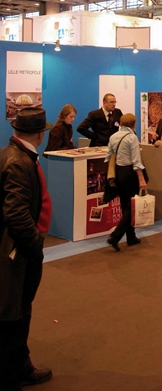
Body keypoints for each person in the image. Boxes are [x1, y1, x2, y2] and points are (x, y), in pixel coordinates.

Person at [0, 108, 53, 390]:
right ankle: (11, 375)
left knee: (18, 312)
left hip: (17, 249)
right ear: (39, 134)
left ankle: (21, 365)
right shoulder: (20, 161)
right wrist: (35, 245)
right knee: (14, 313)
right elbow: (16, 213)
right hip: (17, 251)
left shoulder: (14, 155)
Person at [105, 113, 147, 251]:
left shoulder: (113, 136)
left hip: (117, 172)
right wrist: (141, 179)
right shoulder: (132, 138)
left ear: (121, 124)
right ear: (134, 124)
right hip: (129, 173)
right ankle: (115, 236)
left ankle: (131, 237)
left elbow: (108, 156)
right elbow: (136, 161)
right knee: (132, 206)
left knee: (124, 204)